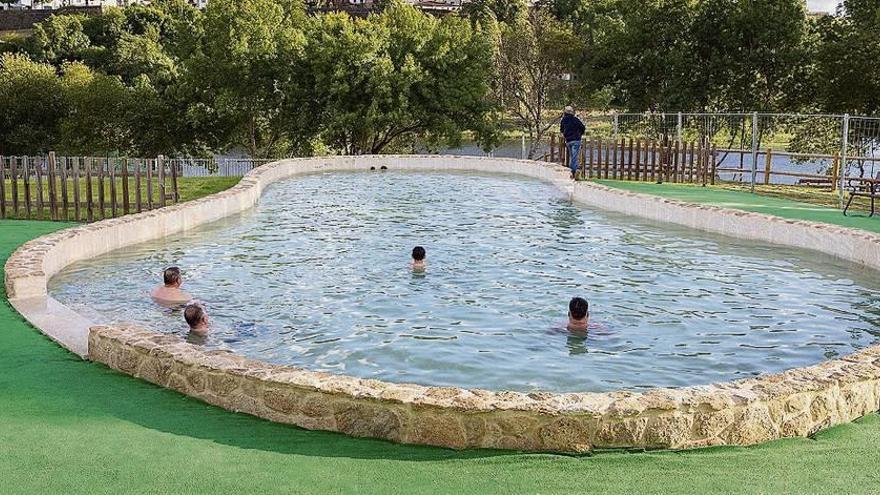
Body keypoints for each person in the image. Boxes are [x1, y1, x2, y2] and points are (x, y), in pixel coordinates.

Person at [559, 106, 586, 179]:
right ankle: (575, 170)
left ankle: (573, 172)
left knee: (572, 156)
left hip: (568, 140)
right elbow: (583, 127)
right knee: (575, 157)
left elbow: (561, 130)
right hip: (576, 140)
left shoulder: (563, 120)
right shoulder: (575, 119)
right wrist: (580, 133)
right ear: (571, 112)